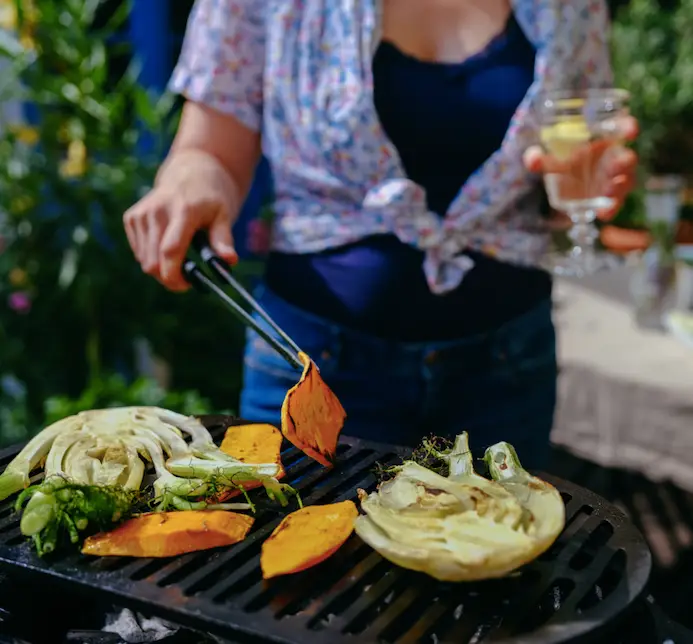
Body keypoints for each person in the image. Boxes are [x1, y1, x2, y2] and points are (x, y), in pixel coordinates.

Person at [123, 0, 638, 469]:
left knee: (501, 562)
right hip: (315, 370)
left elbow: (574, 151)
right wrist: (188, 183)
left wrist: (585, 184)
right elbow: (210, 149)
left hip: (505, 368)